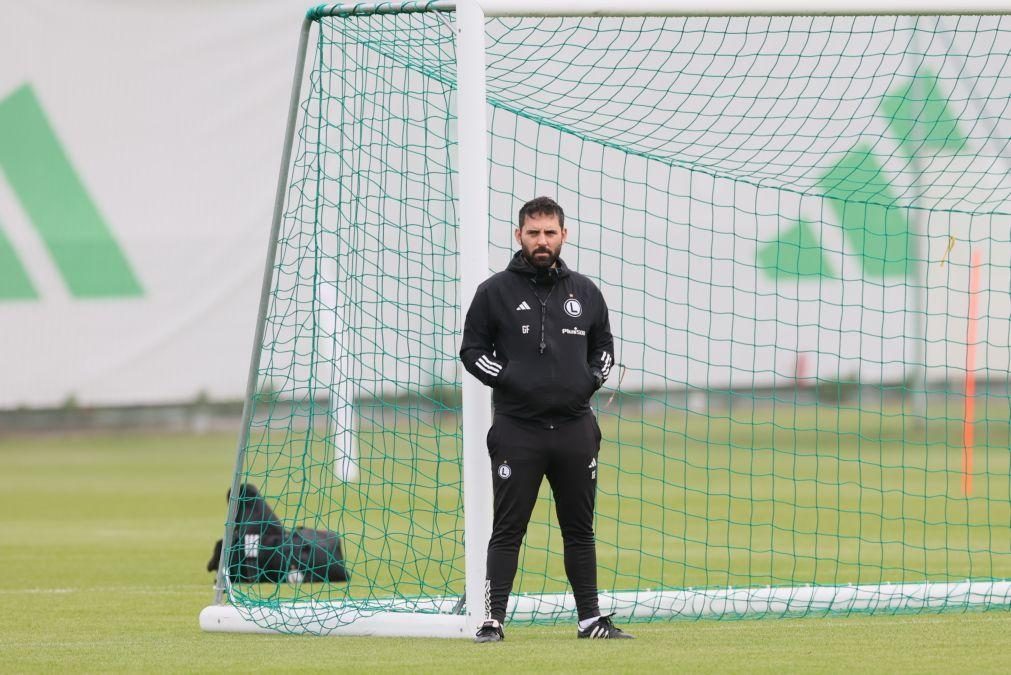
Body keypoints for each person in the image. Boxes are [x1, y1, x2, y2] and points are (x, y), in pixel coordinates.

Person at [460, 196, 633, 642]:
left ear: (563, 235)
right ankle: (491, 620)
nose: (542, 241)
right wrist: (513, 379)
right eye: (533, 232)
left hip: (576, 429)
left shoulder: (586, 292)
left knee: (580, 530)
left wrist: (590, 379)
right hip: (518, 431)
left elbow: (605, 349)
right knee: (508, 529)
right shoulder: (493, 292)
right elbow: (472, 352)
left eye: (550, 232)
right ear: (518, 235)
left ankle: (590, 620)